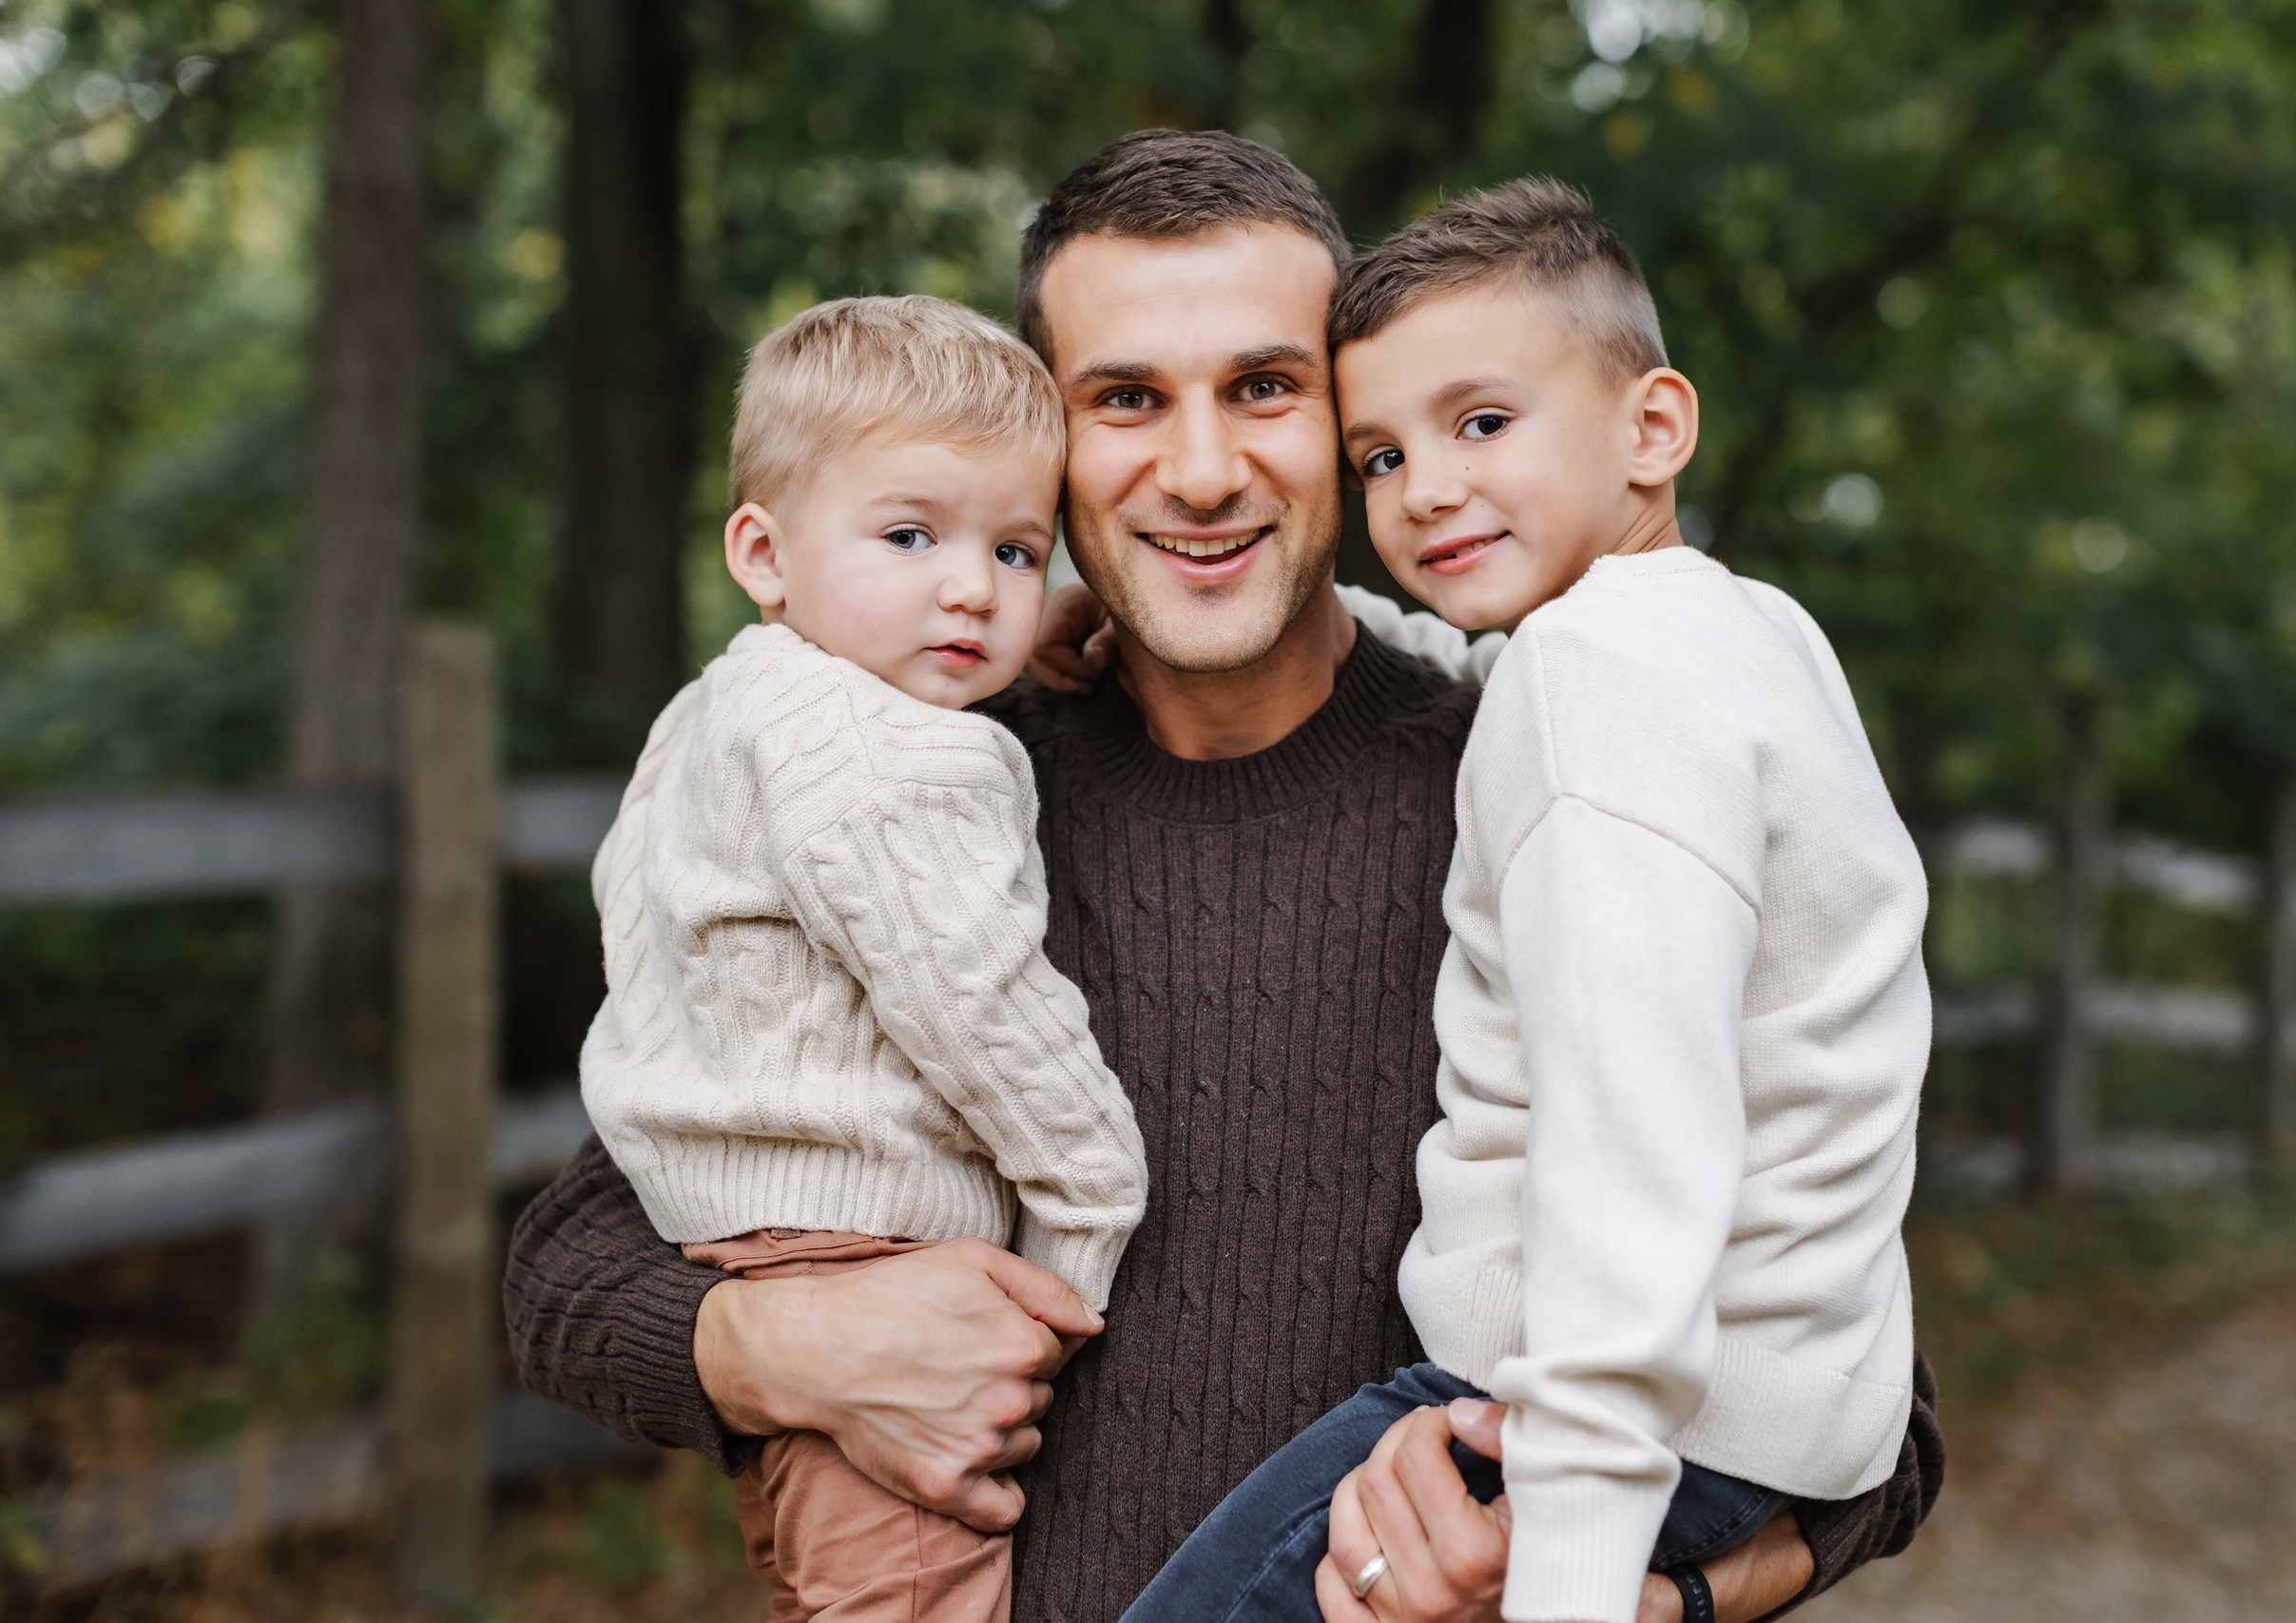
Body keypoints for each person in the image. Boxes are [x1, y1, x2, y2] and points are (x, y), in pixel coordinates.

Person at [503, 130, 1943, 1623]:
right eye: (1125, 400)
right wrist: (780, 1348)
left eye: (1267, 389)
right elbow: (566, 1270)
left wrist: (1664, 1602)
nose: (1201, 473)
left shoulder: (1538, 778)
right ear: (1047, 443)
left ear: (1348, 420)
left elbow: (1879, 1421)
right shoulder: (916, 788)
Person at [1119, 180, 1929, 1623]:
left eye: (1481, 423)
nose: (1423, 488)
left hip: (1561, 1429)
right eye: (1377, 455)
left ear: (1653, 426)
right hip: (1776, 1417)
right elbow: (1507, 699)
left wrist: (1571, 1567)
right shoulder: (1747, 640)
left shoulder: (1592, 684)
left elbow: (1634, 1144)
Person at [578, 294, 1148, 1621]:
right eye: (910, 535)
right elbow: (984, 1007)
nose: (972, 587)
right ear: (763, 552)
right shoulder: (894, 758)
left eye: (1017, 550)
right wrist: (1087, 1212)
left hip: (740, 1245)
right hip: (877, 1274)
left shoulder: (723, 710)